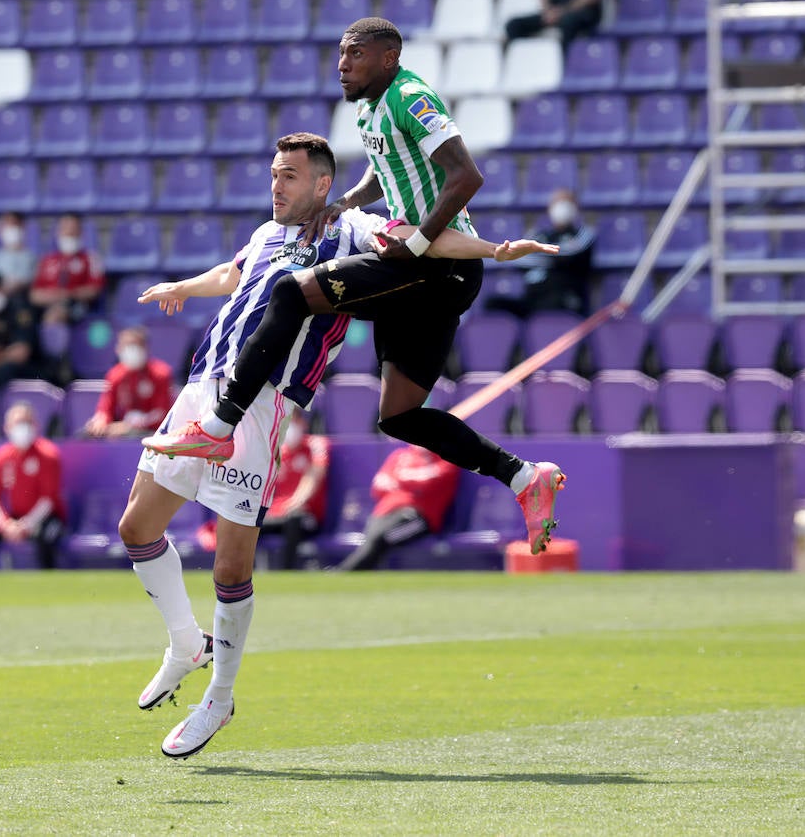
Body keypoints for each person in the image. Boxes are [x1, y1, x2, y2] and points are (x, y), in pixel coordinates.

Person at [118, 132, 556, 760]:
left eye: (289, 176)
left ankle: (219, 696)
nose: (277, 185)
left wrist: (495, 249)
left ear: (322, 184)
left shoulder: (352, 229)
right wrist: (182, 285)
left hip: (263, 403)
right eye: (273, 173)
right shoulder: (267, 233)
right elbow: (234, 275)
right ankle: (186, 643)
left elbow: (423, 242)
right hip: (199, 389)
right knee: (136, 527)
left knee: (229, 566)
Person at [144, 19, 568, 560]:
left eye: (355, 54)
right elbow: (384, 170)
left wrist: (420, 248)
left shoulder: (411, 97)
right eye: (341, 53)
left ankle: (220, 423)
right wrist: (346, 201)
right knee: (399, 415)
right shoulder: (370, 107)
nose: (343, 64)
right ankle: (526, 477)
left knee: (293, 293)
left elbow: (466, 176)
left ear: (388, 58)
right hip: (423, 270)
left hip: (436, 265)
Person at [0, 403, 66, 570]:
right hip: (12, 519)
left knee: (46, 539)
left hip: (45, 519)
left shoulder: (48, 454)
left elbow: (48, 500)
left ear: (36, 425)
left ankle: (49, 585)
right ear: (6, 428)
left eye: (26, 422)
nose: (21, 428)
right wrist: (5, 524)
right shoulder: (1, 457)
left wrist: (25, 525)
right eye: (17, 423)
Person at [336, 446, 460, 572]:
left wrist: (400, 479)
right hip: (383, 513)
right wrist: (411, 479)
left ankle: (343, 574)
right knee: (372, 541)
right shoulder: (400, 455)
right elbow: (378, 486)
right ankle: (345, 574)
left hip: (418, 519)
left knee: (380, 539)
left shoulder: (447, 457)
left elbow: (428, 482)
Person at [485, 189, 595, 318]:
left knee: (553, 305)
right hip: (533, 299)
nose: (561, 207)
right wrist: (552, 260)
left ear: (575, 207)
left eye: (566, 202)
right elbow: (518, 258)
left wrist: (535, 252)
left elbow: (570, 255)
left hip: (563, 298)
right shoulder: (539, 235)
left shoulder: (583, 234)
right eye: (557, 202)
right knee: (493, 304)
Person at [257, 409, 329, 571]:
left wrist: (297, 501)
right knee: (248, 522)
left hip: (306, 516)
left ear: (303, 422)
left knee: (294, 519)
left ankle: (286, 572)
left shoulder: (316, 444)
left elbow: (314, 476)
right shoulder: (279, 450)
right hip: (277, 514)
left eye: (293, 420)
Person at [30, 212, 105, 354]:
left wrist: (69, 294)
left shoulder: (90, 259)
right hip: (47, 305)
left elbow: (94, 290)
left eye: (73, 230)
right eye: (65, 230)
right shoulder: (47, 260)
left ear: (80, 233)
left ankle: (56, 363)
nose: (69, 234)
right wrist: (54, 296)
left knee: (55, 315)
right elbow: (35, 295)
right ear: (58, 232)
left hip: (77, 305)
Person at [83, 326, 174, 439]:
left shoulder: (161, 373)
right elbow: (105, 407)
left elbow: (161, 414)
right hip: (121, 431)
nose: (130, 350)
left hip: (150, 434)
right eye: (125, 346)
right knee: (87, 435)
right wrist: (101, 420)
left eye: (134, 346)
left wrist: (130, 425)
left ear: (145, 348)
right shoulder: (114, 375)